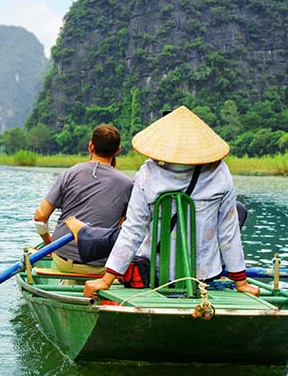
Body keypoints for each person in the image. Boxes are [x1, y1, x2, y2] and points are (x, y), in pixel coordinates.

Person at [82, 106, 259, 298]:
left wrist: (106, 279)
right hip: (202, 276)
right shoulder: (220, 173)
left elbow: (133, 229)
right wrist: (240, 282)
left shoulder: (148, 173)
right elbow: (228, 230)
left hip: (155, 274)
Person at [33, 124, 133, 275]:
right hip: (102, 264)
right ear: (118, 150)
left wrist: (49, 244)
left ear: (91, 146)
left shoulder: (70, 173)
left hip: (63, 258)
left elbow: (40, 217)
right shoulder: (128, 184)